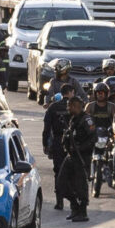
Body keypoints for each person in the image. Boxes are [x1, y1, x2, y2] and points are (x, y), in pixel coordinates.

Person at [42, 82, 79, 211]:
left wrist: (45, 144)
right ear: (70, 93)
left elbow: (46, 128)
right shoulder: (75, 106)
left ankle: (59, 202)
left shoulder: (53, 107)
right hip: (73, 142)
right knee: (73, 172)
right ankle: (74, 201)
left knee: (58, 171)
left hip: (58, 142)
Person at [58, 96, 94, 221]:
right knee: (61, 184)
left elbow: (93, 138)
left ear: (76, 106)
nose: (68, 108)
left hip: (81, 157)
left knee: (80, 185)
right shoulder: (73, 119)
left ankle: (82, 211)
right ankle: (74, 206)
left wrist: (81, 148)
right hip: (71, 156)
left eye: (70, 106)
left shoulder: (86, 120)